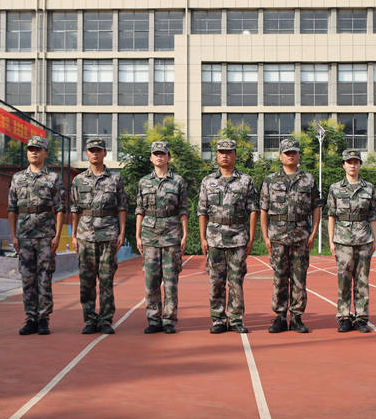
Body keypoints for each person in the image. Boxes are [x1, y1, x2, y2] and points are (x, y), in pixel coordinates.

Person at [259, 137, 322, 334]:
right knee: (279, 278)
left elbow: (316, 207)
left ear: (299, 155)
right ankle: (279, 317)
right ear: (280, 156)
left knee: (299, 279)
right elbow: (263, 209)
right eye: (287, 153)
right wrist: (265, 237)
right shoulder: (270, 180)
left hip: (301, 236)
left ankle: (296, 317)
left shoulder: (308, 180)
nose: (291, 155)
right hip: (277, 237)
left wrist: (314, 233)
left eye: (294, 152)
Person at [197, 138, 258, 334]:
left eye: (229, 152)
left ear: (235, 155)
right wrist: (203, 238)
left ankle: (236, 319)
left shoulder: (246, 181)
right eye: (221, 152)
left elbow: (253, 210)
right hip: (214, 238)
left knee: (236, 281)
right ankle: (218, 319)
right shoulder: (208, 181)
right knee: (216, 280)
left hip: (238, 237)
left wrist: (251, 238)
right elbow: (202, 211)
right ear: (217, 155)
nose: (225, 155)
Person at [8, 135, 65, 336]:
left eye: (38, 149)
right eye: (31, 149)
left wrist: (57, 236)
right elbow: (12, 209)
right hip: (24, 236)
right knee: (27, 278)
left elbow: (60, 209)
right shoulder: (17, 178)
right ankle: (30, 318)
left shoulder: (53, 178)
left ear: (45, 153)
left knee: (44, 277)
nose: (34, 152)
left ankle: (43, 318)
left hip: (45, 235)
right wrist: (13, 236)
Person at [70, 137, 128, 334]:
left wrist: (121, 232)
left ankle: (105, 320)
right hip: (85, 236)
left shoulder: (115, 179)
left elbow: (121, 207)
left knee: (106, 280)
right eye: (91, 150)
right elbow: (75, 209)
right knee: (86, 281)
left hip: (108, 234)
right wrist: (73, 235)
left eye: (98, 150)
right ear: (87, 154)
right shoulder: (78, 180)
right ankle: (89, 319)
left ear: (105, 153)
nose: (95, 153)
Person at [135, 141, 189, 334]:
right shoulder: (143, 182)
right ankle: (153, 319)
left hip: (171, 235)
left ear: (168, 157)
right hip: (149, 236)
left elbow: (183, 209)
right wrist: (137, 235)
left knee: (171, 280)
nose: (159, 157)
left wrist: (184, 234)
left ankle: (169, 320)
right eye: (156, 154)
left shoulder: (178, 181)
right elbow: (140, 210)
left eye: (162, 154)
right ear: (151, 158)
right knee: (151, 281)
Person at [326, 149, 376, 333]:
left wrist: (374, 239)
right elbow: (331, 216)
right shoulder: (335, 188)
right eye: (349, 162)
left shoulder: (368, 188)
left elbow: (372, 216)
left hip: (364, 238)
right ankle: (344, 317)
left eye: (356, 162)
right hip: (343, 240)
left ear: (360, 165)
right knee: (344, 281)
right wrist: (331, 241)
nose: (353, 165)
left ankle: (361, 318)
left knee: (362, 280)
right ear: (343, 165)